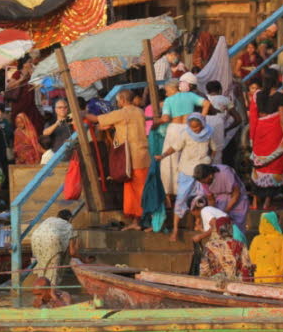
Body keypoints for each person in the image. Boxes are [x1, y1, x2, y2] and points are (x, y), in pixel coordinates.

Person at [87, 89, 150, 231]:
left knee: (137, 190)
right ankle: (136, 221)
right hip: (142, 156)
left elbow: (96, 119)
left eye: (118, 100)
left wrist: (82, 114)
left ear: (121, 100)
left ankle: (141, 221)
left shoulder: (122, 113)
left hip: (132, 158)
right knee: (136, 189)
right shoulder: (139, 111)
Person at [156, 114, 217, 241]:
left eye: (197, 127)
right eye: (193, 127)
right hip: (187, 171)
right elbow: (174, 147)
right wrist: (163, 156)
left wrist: (210, 161)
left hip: (202, 171)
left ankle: (198, 224)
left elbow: (214, 149)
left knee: (201, 198)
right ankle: (175, 229)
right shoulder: (185, 133)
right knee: (181, 199)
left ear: (202, 124)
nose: (195, 130)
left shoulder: (209, 132)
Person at [158, 77, 210, 204]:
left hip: (174, 129)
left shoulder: (168, 100)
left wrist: (154, 121)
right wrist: (201, 118)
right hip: (189, 129)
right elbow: (207, 104)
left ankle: (170, 194)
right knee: (187, 159)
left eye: (167, 90)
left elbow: (165, 119)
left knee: (169, 162)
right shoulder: (190, 95)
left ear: (172, 88)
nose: (166, 93)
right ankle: (189, 192)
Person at [250, 68, 283, 209]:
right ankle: (267, 201)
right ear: (276, 80)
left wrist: (252, 137)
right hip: (275, 134)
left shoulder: (257, 95)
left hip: (259, 132)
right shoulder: (279, 96)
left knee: (258, 166)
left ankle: (255, 202)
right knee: (274, 167)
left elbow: (253, 117)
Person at [189, 196, 253, 281]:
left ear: (193, 210)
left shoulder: (204, 211)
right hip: (236, 234)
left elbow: (215, 225)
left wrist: (200, 236)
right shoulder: (209, 210)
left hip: (232, 235)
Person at [194, 163, 249, 234]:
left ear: (210, 175)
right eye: (201, 182)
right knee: (221, 227)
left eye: (204, 181)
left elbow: (236, 194)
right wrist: (214, 212)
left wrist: (224, 212)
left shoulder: (225, 173)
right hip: (221, 200)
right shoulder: (203, 181)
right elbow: (211, 199)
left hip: (238, 200)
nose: (203, 183)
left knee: (237, 228)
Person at [30, 210, 79, 286]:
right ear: (69, 218)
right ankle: (52, 292)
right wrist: (84, 259)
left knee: (42, 268)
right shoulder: (69, 226)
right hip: (52, 240)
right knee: (53, 271)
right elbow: (72, 252)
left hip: (35, 238)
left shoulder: (49, 219)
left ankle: (41, 290)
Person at [249, 212, 283, 284]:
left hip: (259, 277)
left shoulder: (256, 240)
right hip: (276, 278)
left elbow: (251, 259)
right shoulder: (282, 239)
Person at [6, 57, 43, 134]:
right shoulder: (17, 73)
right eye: (29, 62)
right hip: (19, 103)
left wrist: (32, 74)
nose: (31, 64)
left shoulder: (32, 73)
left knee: (36, 124)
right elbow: (10, 86)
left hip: (30, 103)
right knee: (20, 123)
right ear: (24, 64)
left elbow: (38, 84)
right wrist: (21, 80)